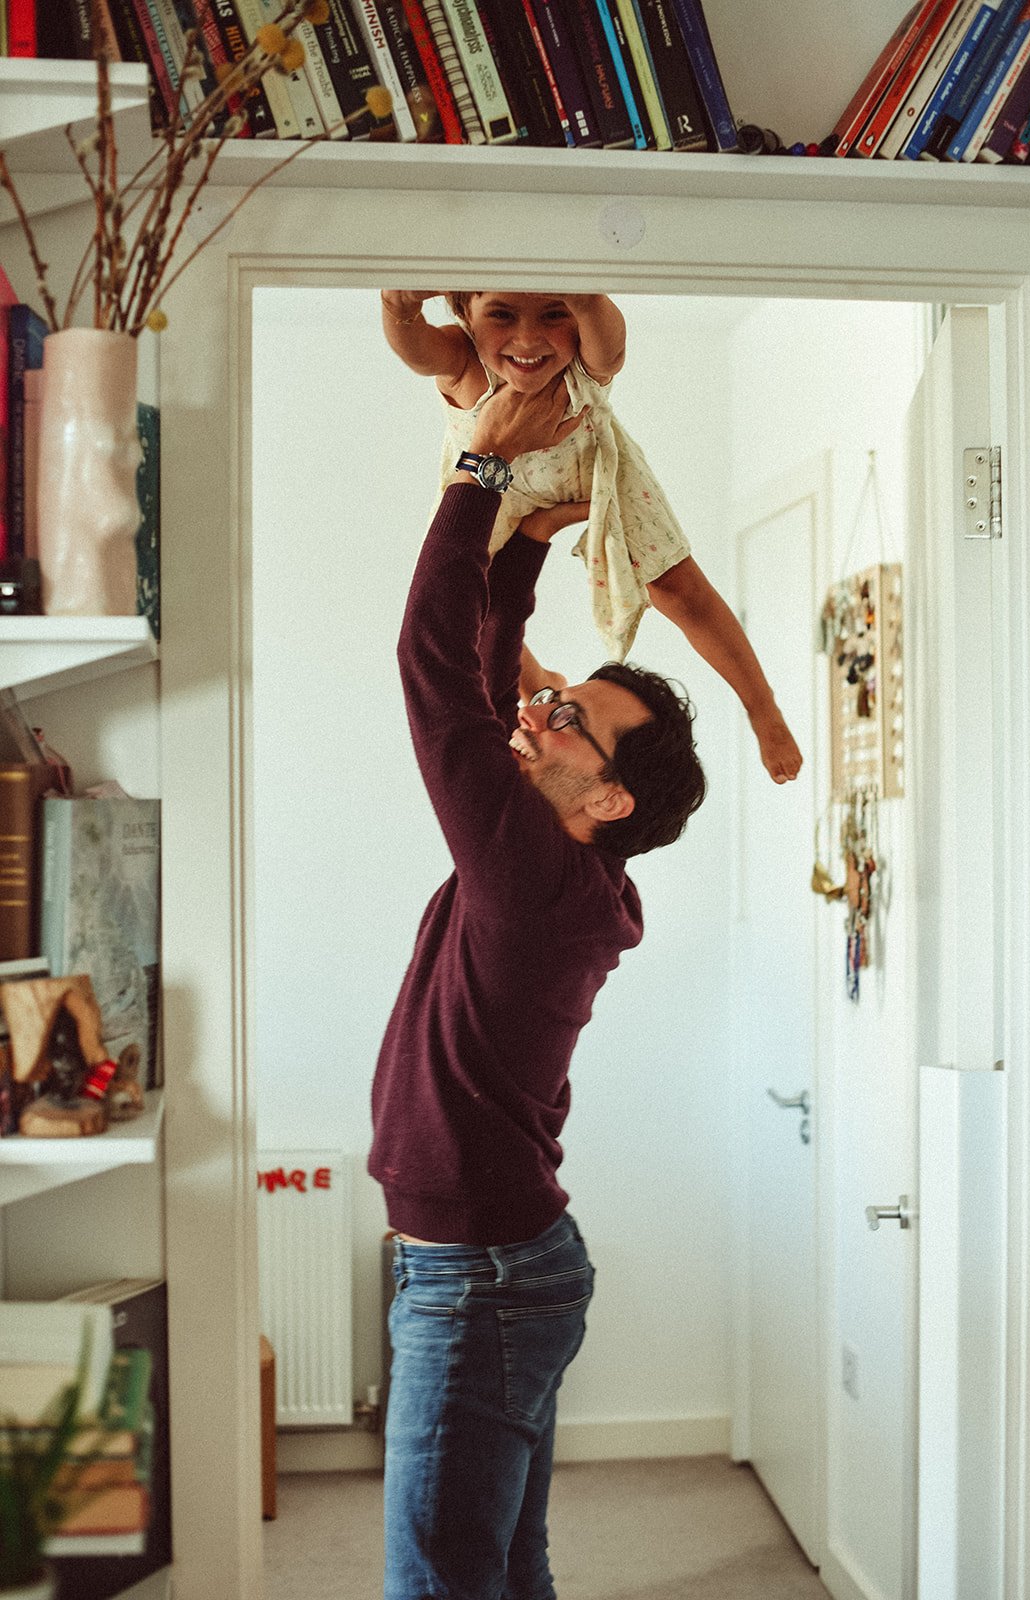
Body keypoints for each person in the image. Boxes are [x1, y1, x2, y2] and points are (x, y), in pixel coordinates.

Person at [369, 373, 707, 1600]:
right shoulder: (564, 869)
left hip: (485, 1276)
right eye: (560, 700)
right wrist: (514, 564)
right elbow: (484, 669)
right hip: (494, 1263)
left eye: (573, 721)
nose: (544, 711)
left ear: (611, 799)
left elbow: (431, 676)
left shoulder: (529, 878)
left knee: (442, 1578)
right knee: (498, 1563)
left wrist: (483, 477)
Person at [380, 285, 802, 784]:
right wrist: (398, 308)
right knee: (466, 594)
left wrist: (585, 300)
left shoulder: (581, 360)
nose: (529, 337)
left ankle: (761, 704)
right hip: (493, 479)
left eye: (554, 314)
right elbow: (416, 351)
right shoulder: (464, 359)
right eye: (502, 314)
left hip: (594, 465)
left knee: (676, 586)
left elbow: (612, 347)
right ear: (466, 315)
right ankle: (532, 680)